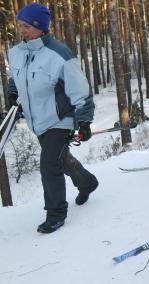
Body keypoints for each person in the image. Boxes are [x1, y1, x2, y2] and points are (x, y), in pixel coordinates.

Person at [7, 3, 98, 233]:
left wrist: (85, 121)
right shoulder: (16, 52)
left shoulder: (58, 55)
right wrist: (13, 99)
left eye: (26, 26)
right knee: (61, 159)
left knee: (49, 165)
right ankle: (87, 182)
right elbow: (14, 80)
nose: (21, 30)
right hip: (38, 121)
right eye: (19, 25)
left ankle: (56, 213)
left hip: (60, 119)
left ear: (41, 28)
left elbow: (81, 91)